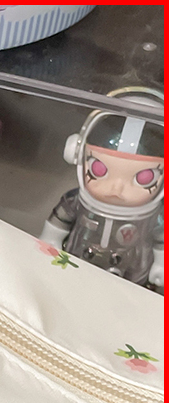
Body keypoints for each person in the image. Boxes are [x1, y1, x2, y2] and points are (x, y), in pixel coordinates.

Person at [40, 88, 164, 290]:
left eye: (145, 178)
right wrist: (50, 239)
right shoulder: (76, 201)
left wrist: (161, 264)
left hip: (132, 277)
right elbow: (59, 222)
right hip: (76, 264)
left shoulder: (156, 216)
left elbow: (162, 240)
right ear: (77, 154)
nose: (117, 187)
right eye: (99, 169)